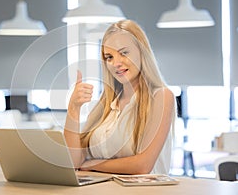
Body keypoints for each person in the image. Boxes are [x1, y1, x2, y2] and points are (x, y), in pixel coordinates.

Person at [64, 19, 176, 175]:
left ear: (142, 51)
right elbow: (74, 162)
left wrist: (93, 164)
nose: (115, 63)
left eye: (123, 53)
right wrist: (73, 108)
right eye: (109, 57)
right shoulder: (105, 105)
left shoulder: (161, 97)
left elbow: (142, 166)